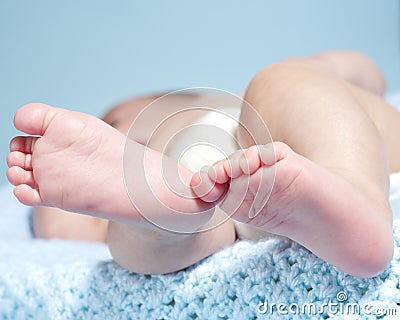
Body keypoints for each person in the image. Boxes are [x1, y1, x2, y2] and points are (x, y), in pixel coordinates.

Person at [6, 51, 399, 278]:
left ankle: (351, 189)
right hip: (222, 202)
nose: (122, 147)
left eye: (114, 125)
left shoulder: (251, 100)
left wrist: (342, 68)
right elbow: (355, 67)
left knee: (281, 80)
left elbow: (359, 71)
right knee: (139, 235)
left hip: (276, 146)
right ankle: (155, 213)